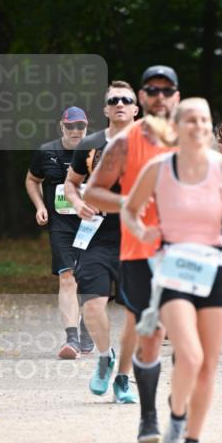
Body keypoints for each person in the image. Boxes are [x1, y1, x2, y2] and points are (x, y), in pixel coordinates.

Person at [121, 98, 222, 443]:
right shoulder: (159, 167)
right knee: (190, 355)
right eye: (190, 120)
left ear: (210, 127)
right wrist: (142, 231)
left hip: (213, 266)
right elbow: (129, 210)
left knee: (209, 364)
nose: (197, 126)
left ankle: (192, 441)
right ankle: (177, 418)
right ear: (178, 127)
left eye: (204, 120)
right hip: (174, 268)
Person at [84, 65, 180, 441]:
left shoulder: (191, 135)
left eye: (166, 90)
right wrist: (130, 201)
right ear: (142, 97)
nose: (159, 96)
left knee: (186, 334)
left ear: (175, 95)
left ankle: (180, 414)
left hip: (184, 250)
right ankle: (149, 417)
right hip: (139, 250)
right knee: (151, 332)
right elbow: (93, 192)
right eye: (151, 90)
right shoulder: (125, 143)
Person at [63, 81, 139, 402]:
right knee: (92, 303)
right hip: (99, 235)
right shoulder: (91, 144)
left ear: (137, 108)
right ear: (106, 109)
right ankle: (104, 357)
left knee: (137, 313)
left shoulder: (153, 143)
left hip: (139, 236)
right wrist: (78, 204)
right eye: (113, 100)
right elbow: (71, 183)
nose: (120, 104)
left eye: (126, 100)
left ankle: (123, 377)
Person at [25, 106, 91, 359]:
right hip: (61, 225)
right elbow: (32, 179)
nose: (76, 131)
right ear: (61, 127)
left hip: (93, 225)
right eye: (70, 126)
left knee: (95, 279)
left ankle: (87, 326)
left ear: (86, 128)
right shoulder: (47, 152)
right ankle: (72, 339)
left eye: (80, 126)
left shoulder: (96, 151)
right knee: (67, 278)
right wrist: (40, 206)